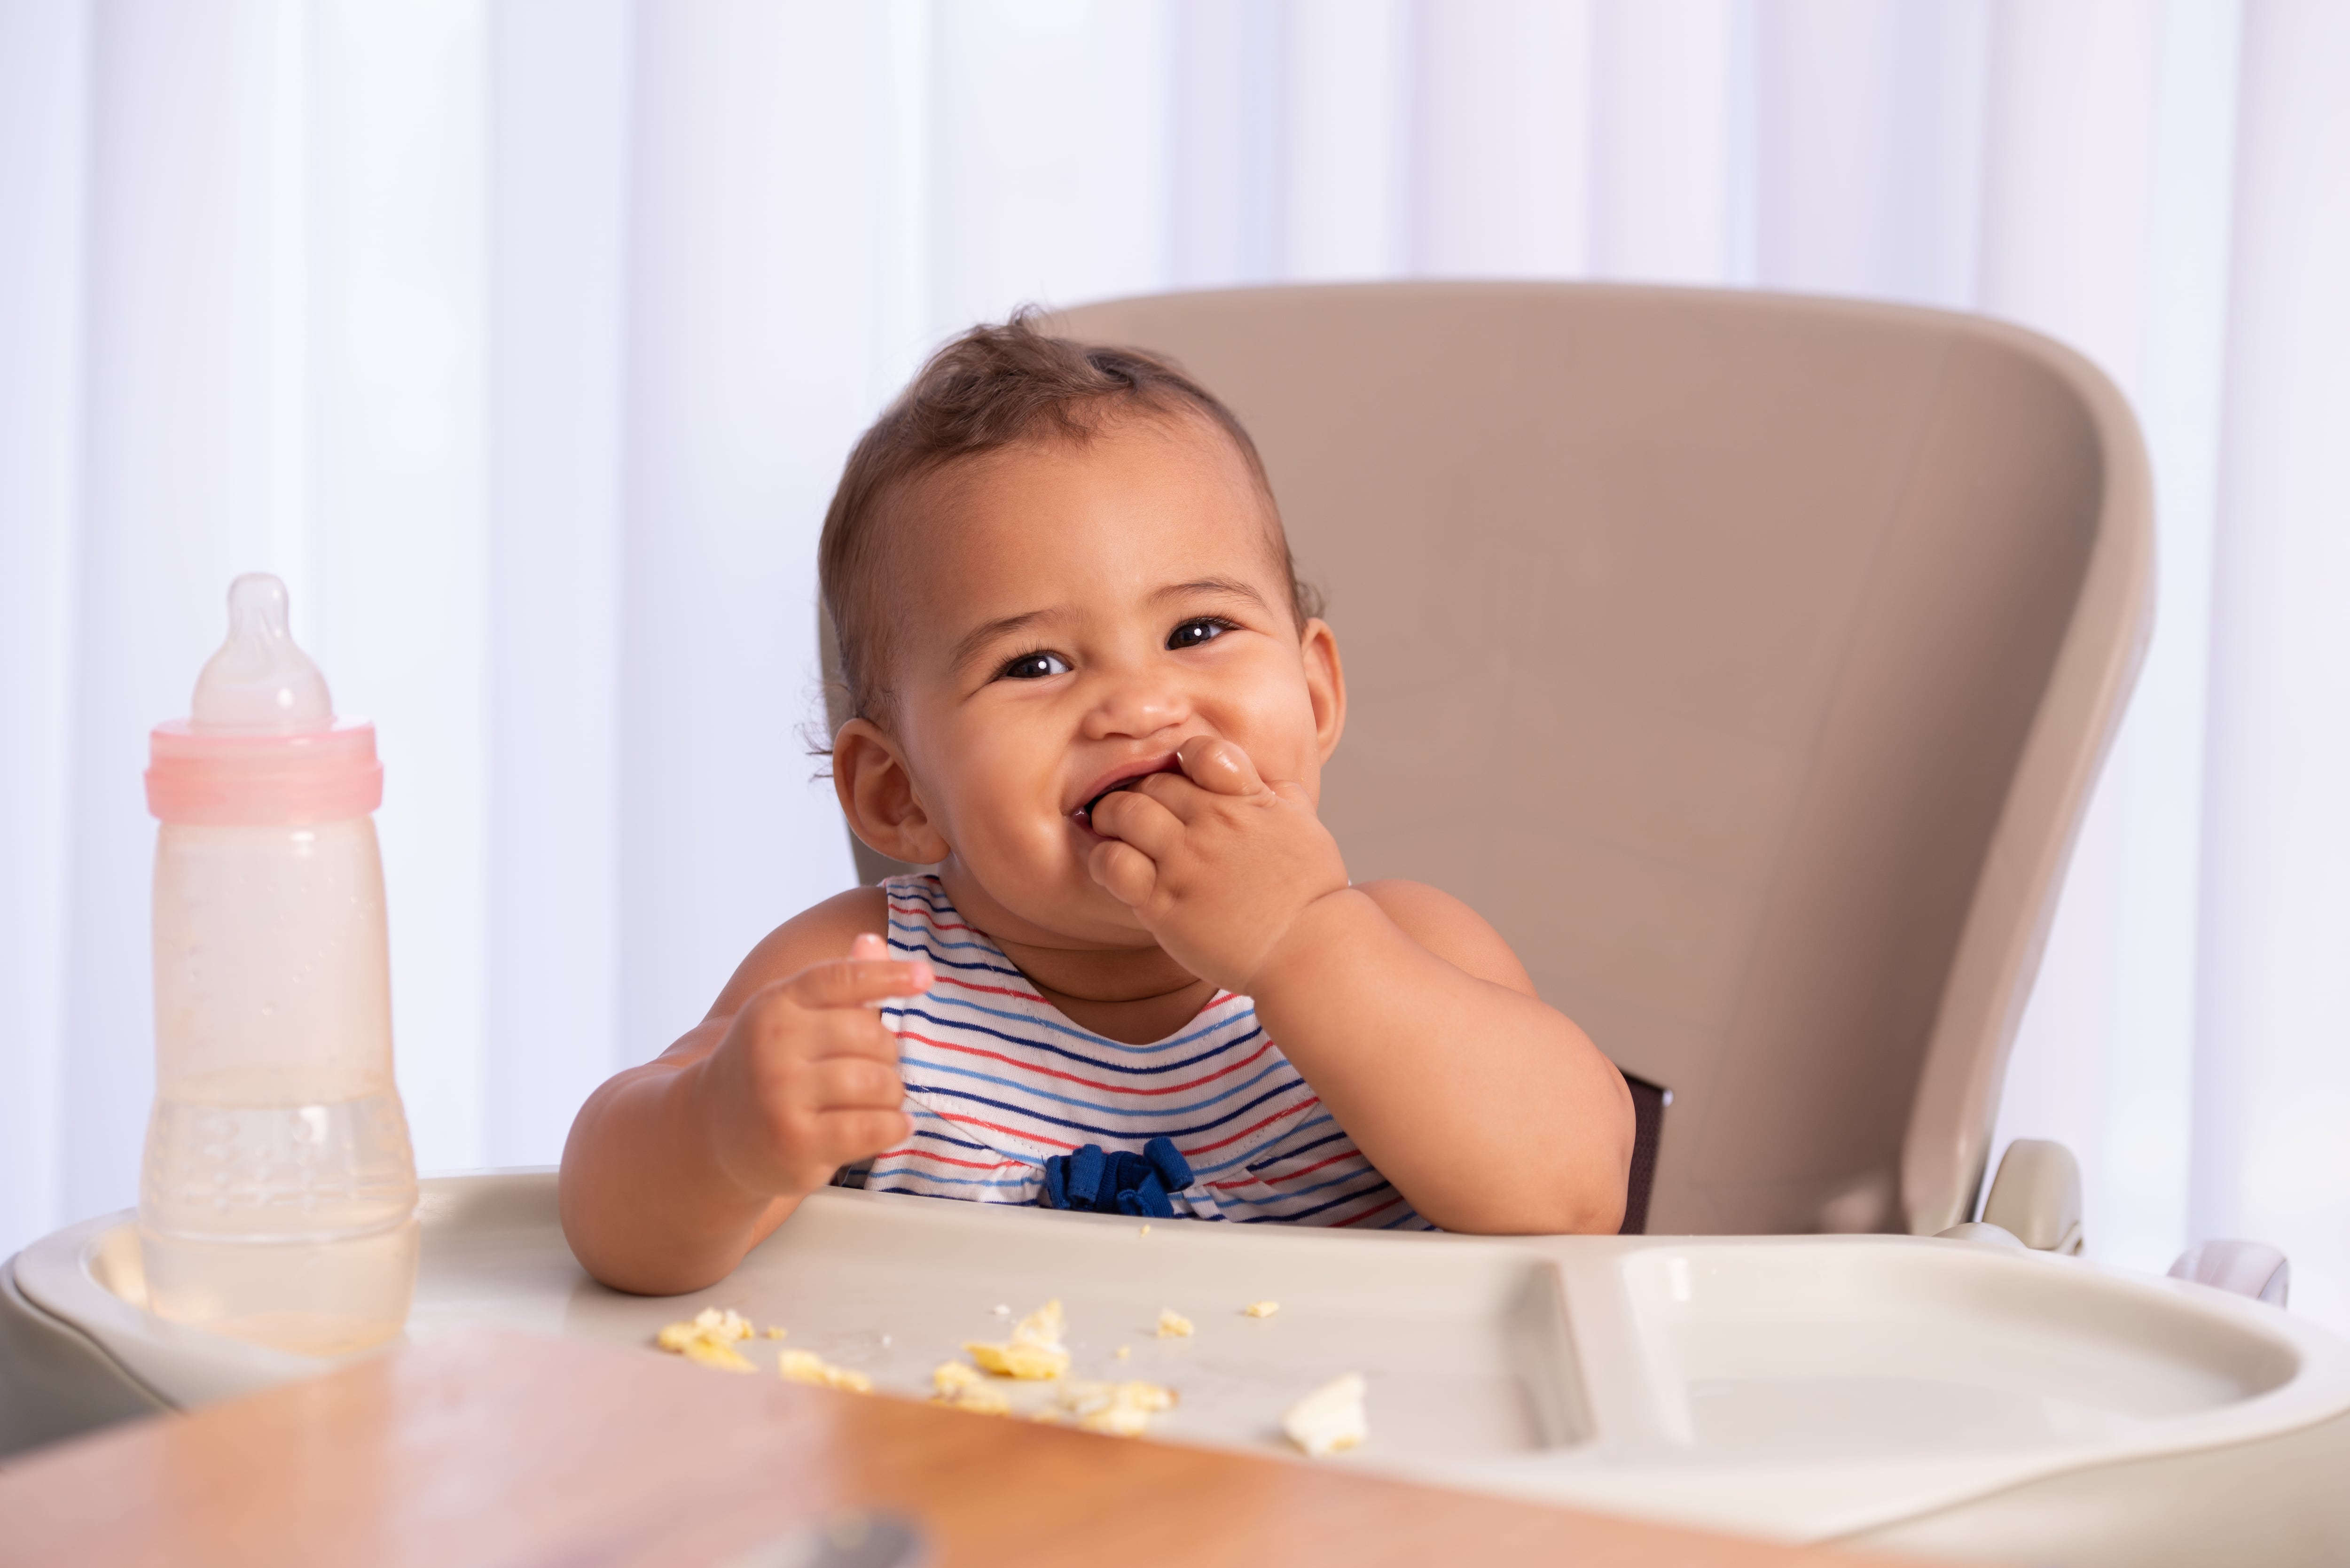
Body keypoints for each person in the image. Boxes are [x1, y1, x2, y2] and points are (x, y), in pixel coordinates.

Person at [561, 314, 1634, 1295]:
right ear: (897, 796)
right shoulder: (866, 985)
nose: (1137, 702)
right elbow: (611, 1226)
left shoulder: (1408, 949)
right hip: (983, 1475)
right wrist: (717, 1136)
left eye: (1198, 631)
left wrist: (1304, 941)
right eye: (1034, 663)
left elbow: (1574, 1199)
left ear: (1312, 697)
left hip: (1337, 1480)